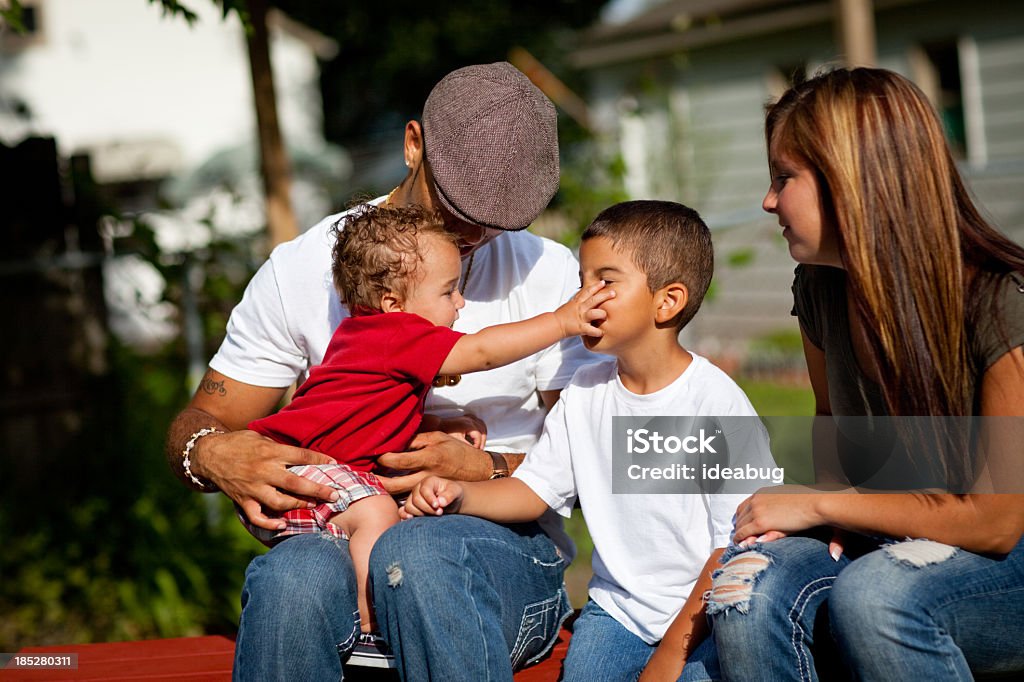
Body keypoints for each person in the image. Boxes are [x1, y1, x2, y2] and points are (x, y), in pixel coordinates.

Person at [165, 62, 598, 680]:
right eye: (457, 204)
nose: (475, 230)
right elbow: (203, 419)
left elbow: (599, 459)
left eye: (501, 218)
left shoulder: (550, 276)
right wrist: (214, 455)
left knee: (419, 554)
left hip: (503, 546)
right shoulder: (302, 271)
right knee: (290, 578)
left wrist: (488, 468)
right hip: (347, 539)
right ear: (412, 144)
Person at [680, 67, 1024, 682]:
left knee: (877, 596)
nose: (768, 200)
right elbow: (831, 421)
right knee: (744, 591)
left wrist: (824, 504)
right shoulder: (819, 286)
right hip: (891, 528)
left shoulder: (999, 300)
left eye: (784, 178)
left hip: (1006, 558)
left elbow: (994, 523)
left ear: (851, 180)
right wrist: (832, 513)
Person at [403, 200, 775, 682]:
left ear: (668, 301)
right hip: (615, 611)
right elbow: (535, 488)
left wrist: (668, 659)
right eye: (582, 281)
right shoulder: (584, 392)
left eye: (605, 281)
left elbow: (737, 547)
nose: (583, 297)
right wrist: (461, 496)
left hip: (706, 612)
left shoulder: (715, 404)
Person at [238, 202, 609, 644]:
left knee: (384, 534)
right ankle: (370, 617)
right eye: (449, 291)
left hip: (299, 476)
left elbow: (368, 413)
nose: (461, 301)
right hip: (298, 476)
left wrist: (443, 420)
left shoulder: (364, 336)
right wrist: (561, 321)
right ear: (394, 303)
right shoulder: (399, 333)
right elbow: (481, 351)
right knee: (377, 514)